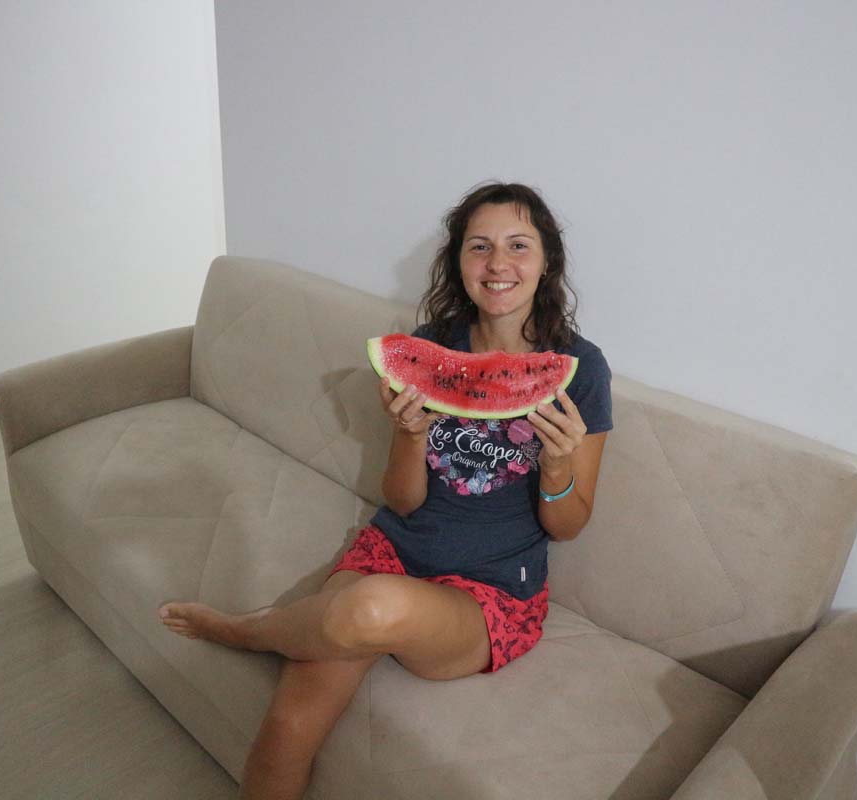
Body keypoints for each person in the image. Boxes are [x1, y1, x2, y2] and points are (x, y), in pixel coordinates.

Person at [157, 181, 613, 799]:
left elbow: (569, 525)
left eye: (518, 245)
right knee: (289, 725)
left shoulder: (580, 370)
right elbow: (402, 500)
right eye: (479, 246)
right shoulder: (430, 348)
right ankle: (275, 631)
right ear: (459, 261)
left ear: (547, 260)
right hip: (394, 548)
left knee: (370, 608)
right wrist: (408, 432)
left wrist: (556, 468)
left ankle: (250, 631)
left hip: (492, 592)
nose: (497, 264)